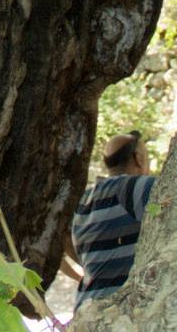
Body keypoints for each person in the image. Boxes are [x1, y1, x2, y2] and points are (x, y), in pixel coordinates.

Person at [63, 131, 155, 309]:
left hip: (86, 308)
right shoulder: (135, 187)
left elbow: (63, 239)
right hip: (118, 312)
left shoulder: (85, 198)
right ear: (139, 159)